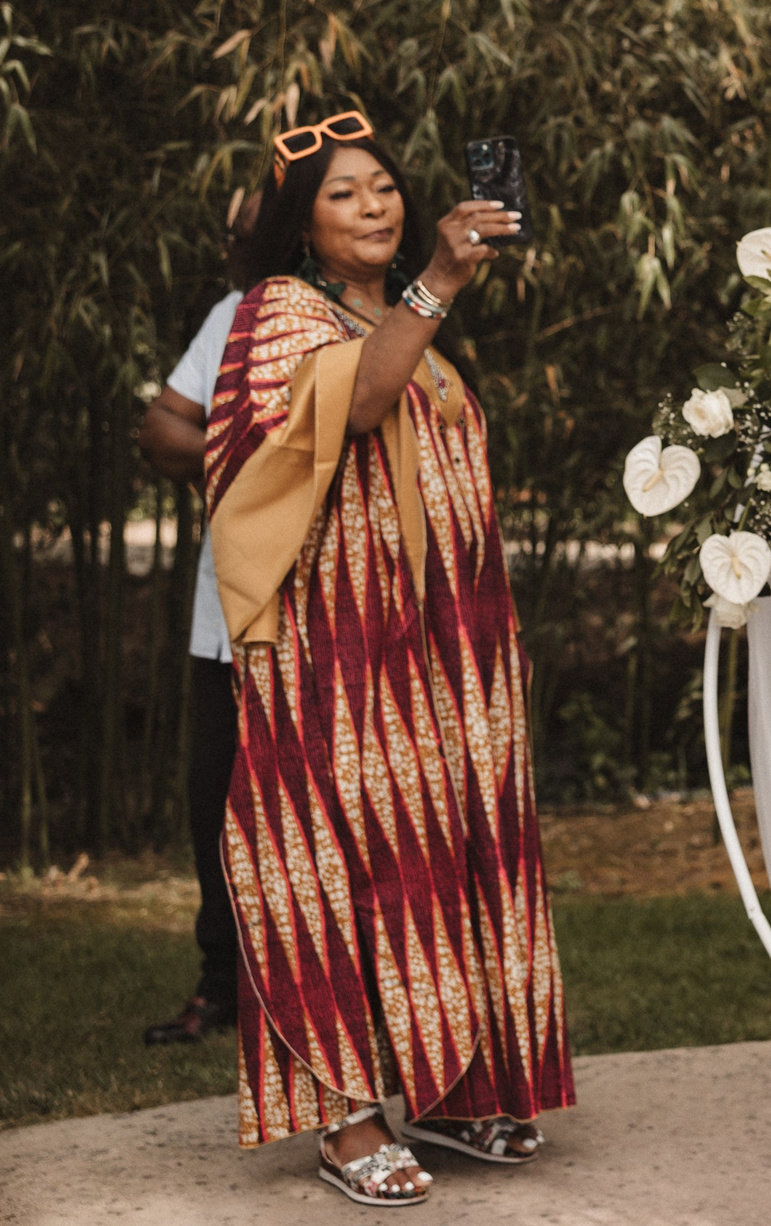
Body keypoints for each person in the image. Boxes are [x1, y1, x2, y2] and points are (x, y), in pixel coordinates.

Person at [207, 110, 571, 1206]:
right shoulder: (279, 312)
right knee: (338, 861)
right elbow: (356, 409)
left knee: (444, 852)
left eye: (383, 188)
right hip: (337, 654)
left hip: (441, 656)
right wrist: (437, 285)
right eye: (343, 195)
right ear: (299, 224)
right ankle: (346, 1113)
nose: (376, 208)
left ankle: (452, 1081)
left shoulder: (392, 314)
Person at [136, 197, 255, 1048]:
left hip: (343, 623)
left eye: (246, 228)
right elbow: (159, 427)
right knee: (215, 805)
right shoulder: (235, 316)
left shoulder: (387, 310)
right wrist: (256, 448)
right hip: (229, 615)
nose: (230, 244)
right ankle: (224, 985)